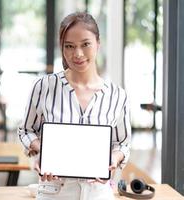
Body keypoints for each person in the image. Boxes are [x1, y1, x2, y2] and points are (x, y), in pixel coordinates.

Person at [18, 11, 131, 200]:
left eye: (85, 44)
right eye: (69, 46)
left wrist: (113, 158)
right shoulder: (44, 86)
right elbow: (26, 131)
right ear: (62, 48)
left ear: (98, 43)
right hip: (55, 191)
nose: (77, 54)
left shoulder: (117, 95)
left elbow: (123, 143)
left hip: (98, 194)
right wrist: (43, 151)